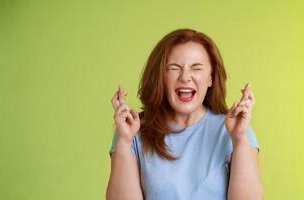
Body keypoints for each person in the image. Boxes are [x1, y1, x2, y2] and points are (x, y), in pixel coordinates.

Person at [106, 28, 263, 200]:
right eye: (174, 68)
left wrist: (240, 141)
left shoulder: (235, 130)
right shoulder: (133, 132)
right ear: (161, 77)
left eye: (196, 68)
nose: (185, 77)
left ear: (211, 78)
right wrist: (124, 142)